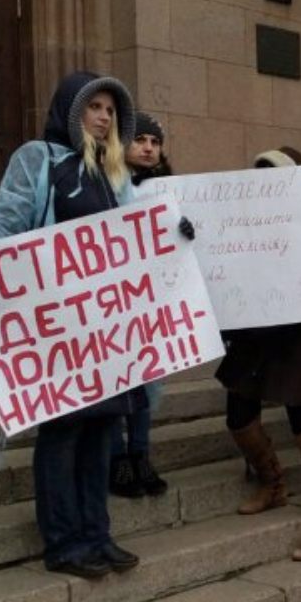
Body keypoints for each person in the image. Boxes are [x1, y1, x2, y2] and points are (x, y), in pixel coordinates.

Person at [0, 71, 194, 579]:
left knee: (103, 429)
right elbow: (2, 222)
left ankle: (97, 534)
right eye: (94, 107)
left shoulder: (114, 173)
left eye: (110, 110)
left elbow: (134, 236)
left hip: (105, 328)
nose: (103, 117)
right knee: (63, 433)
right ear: (71, 109)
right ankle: (63, 543)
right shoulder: (38, 159)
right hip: (58, 328)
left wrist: (174, 234)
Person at [215, 148, 301, 562]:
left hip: (298, 339)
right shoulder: (240, 224)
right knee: (239, 417)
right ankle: (272, 483)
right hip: (252, 335)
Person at [109, 111, 172, 498]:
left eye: (155, 142)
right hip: (111, 302)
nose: (148, 148)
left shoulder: (170, 189)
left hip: (150, 300)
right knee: (114, 382)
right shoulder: (105, 184)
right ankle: (117, 460)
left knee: (146, 381)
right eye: (140, 140)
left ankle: (140, 454)